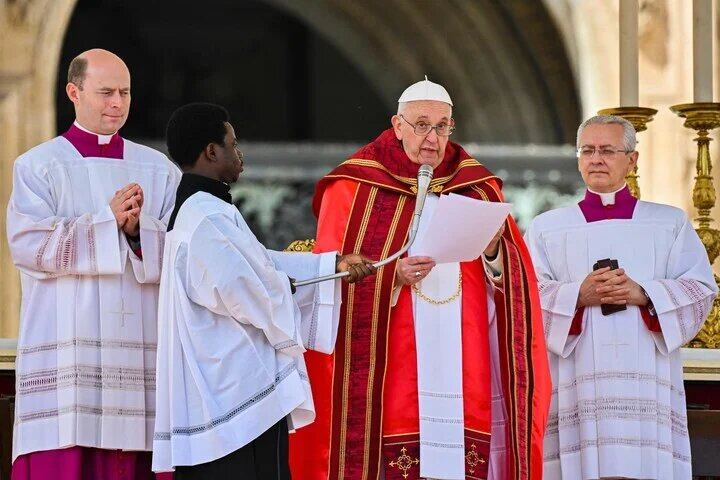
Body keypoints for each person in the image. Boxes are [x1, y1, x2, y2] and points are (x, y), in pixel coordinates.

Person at [289, 78, 551, 480]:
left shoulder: (478, 187)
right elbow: (328, 281)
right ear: (397, 125)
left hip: (466, 353)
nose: (433, 137)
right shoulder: (354, 187)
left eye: (443, 126)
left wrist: (496, 250)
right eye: (422, 124)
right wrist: (392, 277)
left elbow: (515, 283)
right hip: (394, 358)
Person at [152, 103, 375, 479]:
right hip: (233, 400)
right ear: (211, 152)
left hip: (233, 395)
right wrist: (285, 290)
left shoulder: (207, 210)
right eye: (232, 143)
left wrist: (329, 265)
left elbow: (259, 264)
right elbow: (244, 289)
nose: (239, 153)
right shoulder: (204, 218)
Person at [6, 49, 180, 479]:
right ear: (74, 92)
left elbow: (182, 250)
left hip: (139, 359)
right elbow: (28, 246)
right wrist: (107, 223)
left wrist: (140, 233)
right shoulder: (38, 166)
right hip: (69, 355)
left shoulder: (157, 170)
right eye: (105, 93)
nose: (116, 103)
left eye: (124, 93)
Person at [525, 115, 718, 480]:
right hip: (579, 374)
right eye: (588, 150)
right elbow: (527, 294)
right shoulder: (547, 227)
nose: (596, 159)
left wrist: (644, 293)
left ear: (632, 160)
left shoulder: (668, 223)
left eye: (608, 150)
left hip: (646, 373)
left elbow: (700, 289)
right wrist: (576, 296)